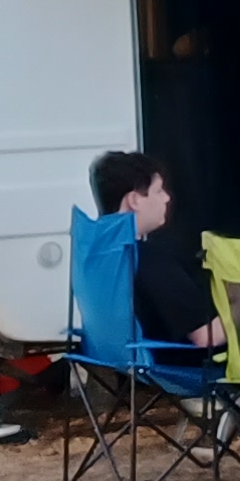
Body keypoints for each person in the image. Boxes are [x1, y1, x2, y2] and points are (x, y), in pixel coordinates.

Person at [87, 150, 222, 351]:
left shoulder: (97, 253)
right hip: (169, 366)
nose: (166, 198)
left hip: (121, 363)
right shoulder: (148, 260)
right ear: (134, 200)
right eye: (158, 190)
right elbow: (206, 337)